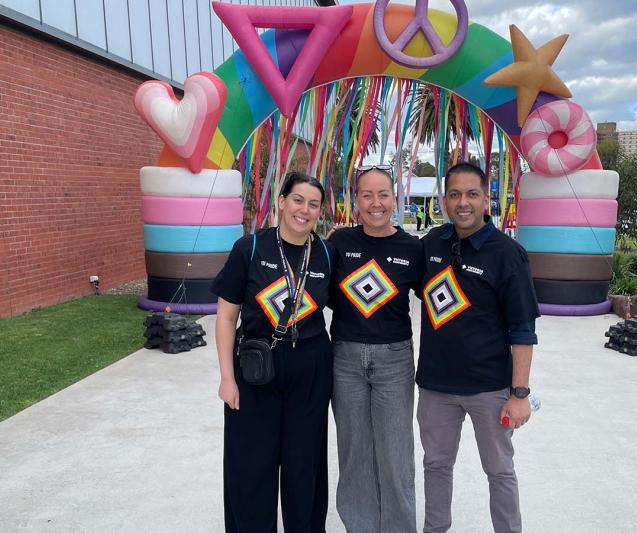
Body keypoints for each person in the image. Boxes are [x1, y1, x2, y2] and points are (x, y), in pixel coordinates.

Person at [416, 162, 540, 533]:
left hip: (490, 388)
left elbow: (523, 330)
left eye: (472, 194)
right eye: (455, 194)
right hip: (436, 388)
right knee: (436, 466)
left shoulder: (508, 253)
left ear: (486, 199)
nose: (463, 202)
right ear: (444, 201)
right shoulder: (431, 245)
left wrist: (519, 394)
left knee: (499, 470)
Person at [212, 172, 334, 533]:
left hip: (310, 368)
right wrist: (226, 378)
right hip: (255, 366)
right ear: (281, 201)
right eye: (298, 200)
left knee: (304, 466)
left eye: (313, 204)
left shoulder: (326, 253)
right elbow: (226, 315)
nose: (304, 210)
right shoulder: (249, 249)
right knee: (251, 466)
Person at [328, 166, 423, 533]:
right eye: (367, 195)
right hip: (345, 358)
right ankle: (361, 526)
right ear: (356, 201)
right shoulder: (339, 244)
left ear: (395, 198)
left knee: (395, 454)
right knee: (354, 453)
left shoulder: (413, 249)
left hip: (395, 360)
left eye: (383, 194)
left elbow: (435, 299)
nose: (376, 203)